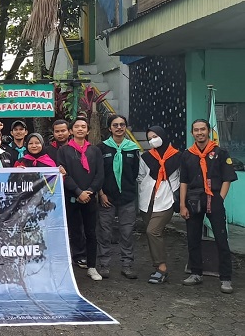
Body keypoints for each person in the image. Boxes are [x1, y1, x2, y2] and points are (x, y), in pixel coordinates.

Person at [180, 119, 238, 294]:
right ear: (192, 133)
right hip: (193, 199)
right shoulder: (187, 154)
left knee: (221, 239)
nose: (199, 133)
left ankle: (226, 278)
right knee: (193, 237)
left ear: (208, 131)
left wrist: (220, 198)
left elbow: (227, 178)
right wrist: (182, 205)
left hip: (214, 198)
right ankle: (196, 273)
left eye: (202, 129)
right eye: (196, 130)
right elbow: (183, 181)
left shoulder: (220, 152)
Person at [57, 116, 104, 281]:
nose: (80, 129)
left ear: (88, 130)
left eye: (83, 126)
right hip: (71, 198)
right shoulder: (64, 151)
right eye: (76, 126)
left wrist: (89, 191)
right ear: (71, 131)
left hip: (90, 198)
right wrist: (78, 192)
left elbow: (100, 175)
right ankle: (69, 267)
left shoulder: (95, 151)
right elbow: (63, 174)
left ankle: (92, 266)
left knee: (91, 233)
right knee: (71, 231)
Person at [96, 114, 141, 279]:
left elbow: (136, 173)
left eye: (122, 124)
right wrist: (101, 193)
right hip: (106, 197)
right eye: (115, 125)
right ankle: (104, 264)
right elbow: (98, 173)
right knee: (104, 232)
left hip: (127, 198)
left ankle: (127, 265)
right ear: (110, 128)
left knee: (127, 232)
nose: (119, 127)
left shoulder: (133, 148)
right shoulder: (101, 148)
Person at [137, 126, 180, 284]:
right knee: (154, 234)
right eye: (149, 138)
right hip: (147, 201)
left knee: (152, 231)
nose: (152, 140)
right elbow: (141, 176)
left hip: (166, 200)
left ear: (162, 135)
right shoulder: (146, 157)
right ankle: (158, 267)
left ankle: (161, 268)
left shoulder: (176, 156)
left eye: (155, 136)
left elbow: (181, 179)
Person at [48, 118, 86, 268]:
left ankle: (79, 255)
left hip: (74, 192)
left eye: (63, 130)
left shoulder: (77, 148)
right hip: (54, 194)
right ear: (53, 133)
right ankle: (58, 255)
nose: (60, 134)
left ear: (69, 131)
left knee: (76, 225)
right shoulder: (48, 149)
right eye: (57, 131)